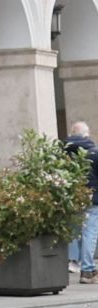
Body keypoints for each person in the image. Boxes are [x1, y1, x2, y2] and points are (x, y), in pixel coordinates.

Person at [65, 121, 98, 284]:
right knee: (89, 233)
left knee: (74, 231)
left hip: (71, 197)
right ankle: (87, 270)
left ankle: (73, 261)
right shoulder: (94, 152)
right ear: (87, 134)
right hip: (91, 198)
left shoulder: (64, 151)